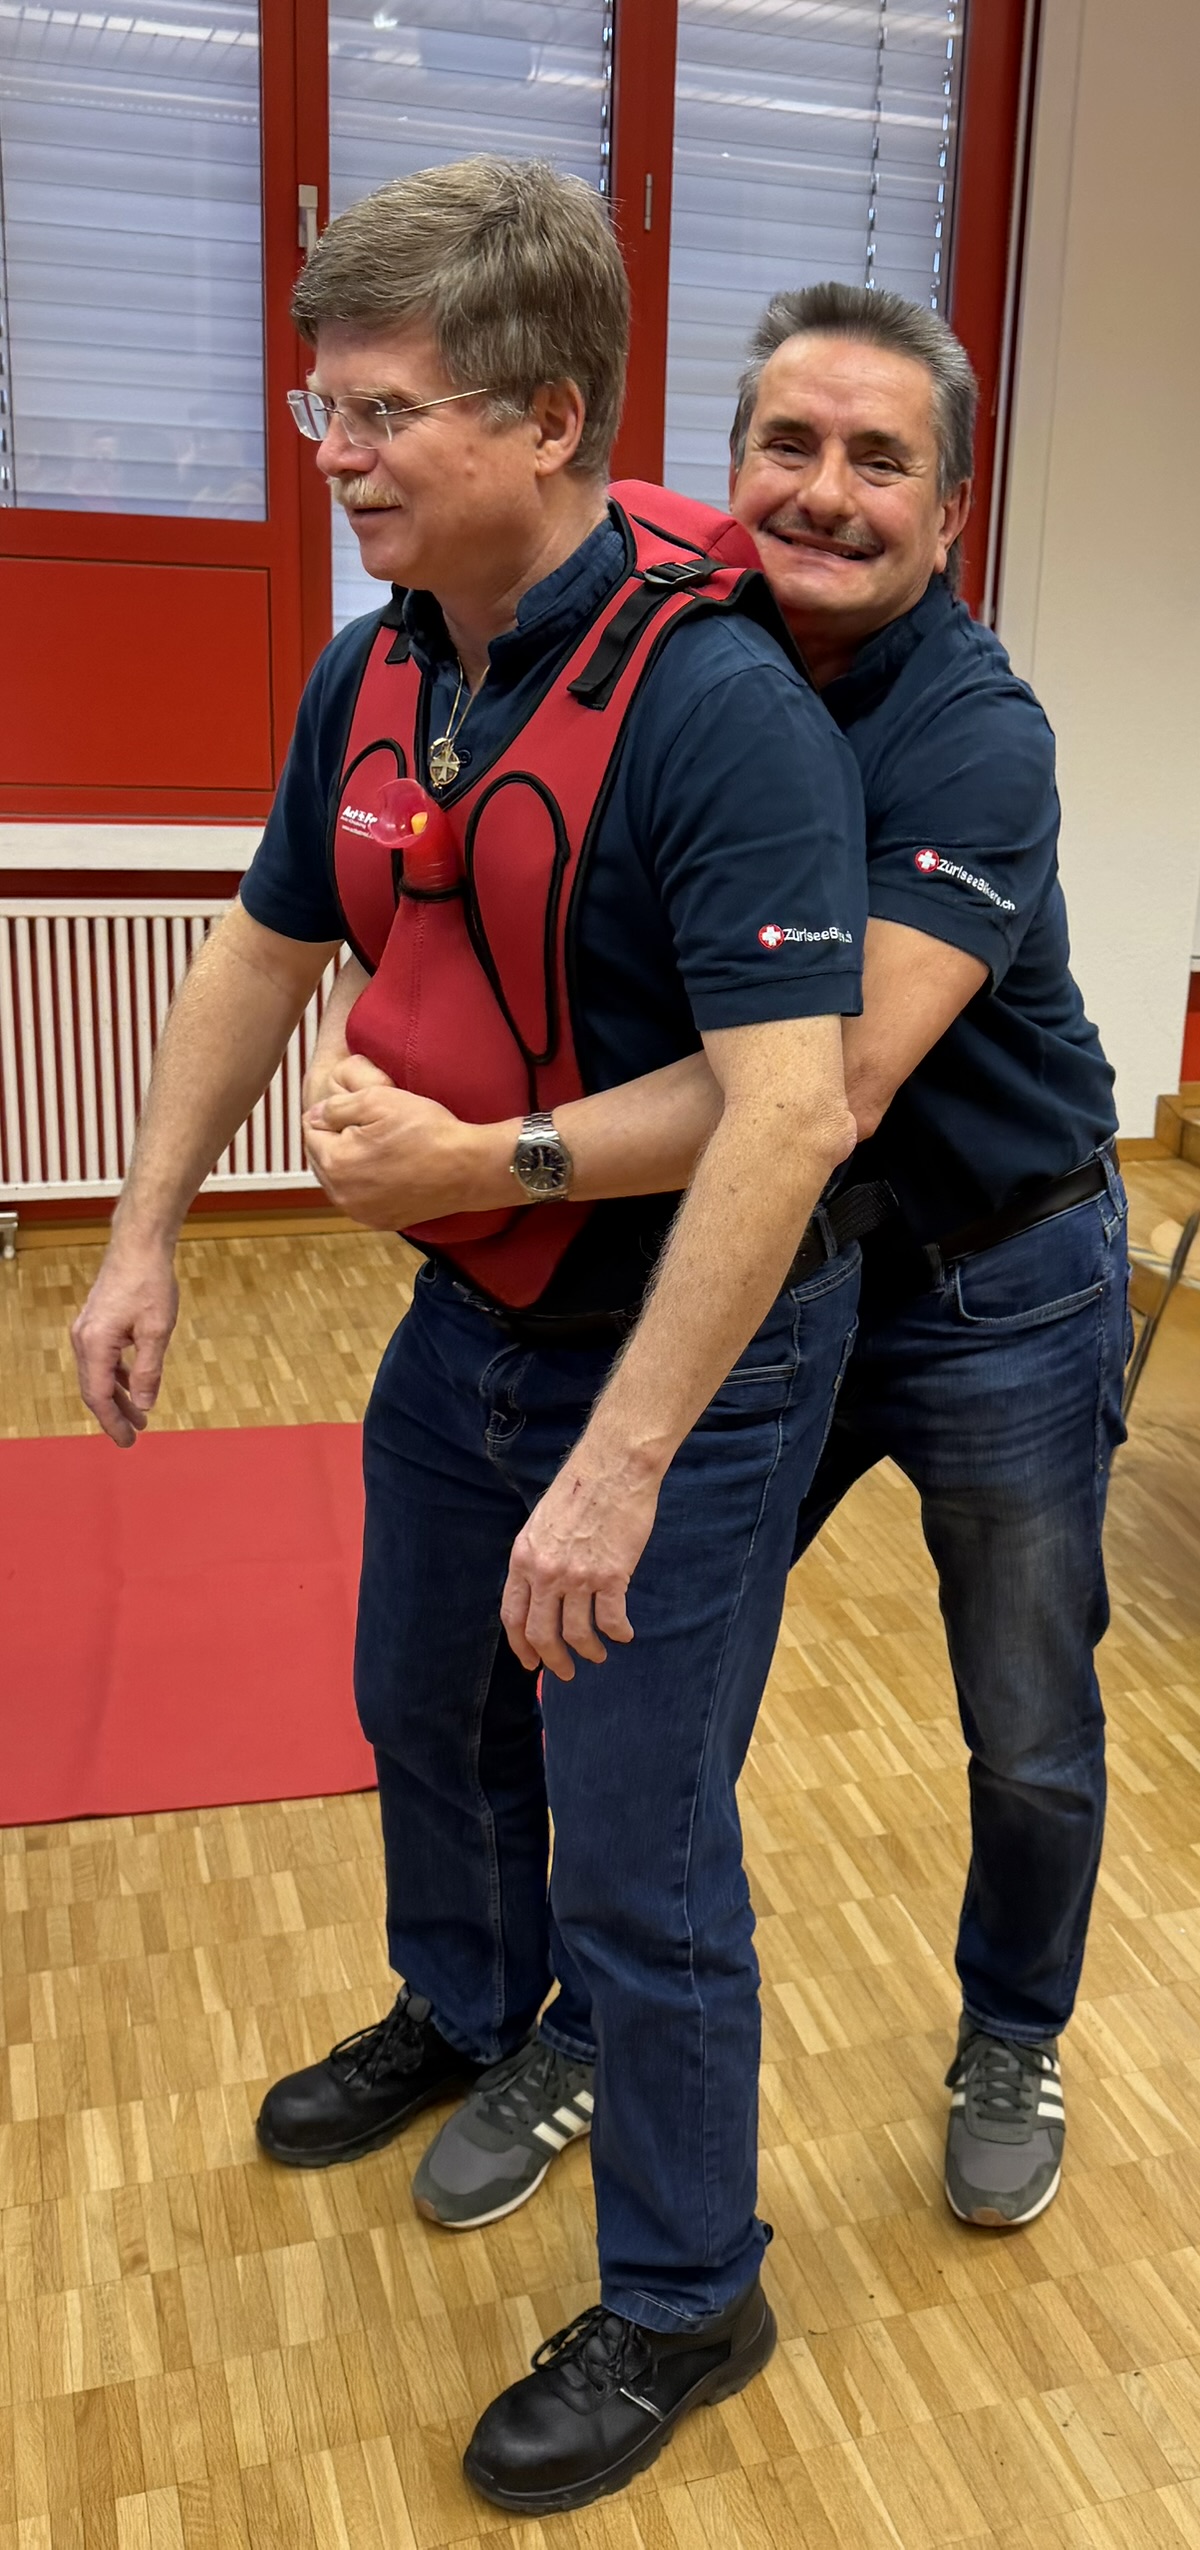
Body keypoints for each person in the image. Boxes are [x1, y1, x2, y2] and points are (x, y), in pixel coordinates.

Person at [71, 167, 868, 2514]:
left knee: (636, 1845)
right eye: (319, 406)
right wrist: (139, 1238)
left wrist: (618, 1466)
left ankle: (686, 2292)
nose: (335, 455)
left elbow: (787, 1110)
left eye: (383, 412)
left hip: (685, 1360)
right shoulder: (389, 654)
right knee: (417, 1707)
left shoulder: (717, 710)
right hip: (470, 1318)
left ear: (544, 418)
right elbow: (262, 942)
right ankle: (458, 2009)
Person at [307, 281, 1128, 2251]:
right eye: (788, 444)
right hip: (773, 1281)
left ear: (949, 509)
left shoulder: (971, 737)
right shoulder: (679, 659)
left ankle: (1010, 2031)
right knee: (643, 1706)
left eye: (878, 461)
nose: (823, 492)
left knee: (1023, 1715)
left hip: (994, 1283)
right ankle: (581, 2025)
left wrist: (479, 1157)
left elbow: (820, 1088)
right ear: (723, 460)